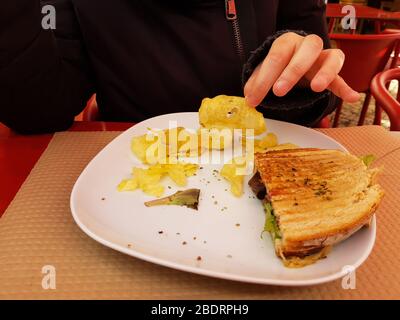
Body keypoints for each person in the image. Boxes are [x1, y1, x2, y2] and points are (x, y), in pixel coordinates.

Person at [0, 0, 359, 134]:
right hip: (130, 181)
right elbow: (42, 111)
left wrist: (298, 83)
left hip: (263, 164)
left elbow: (317, 86)